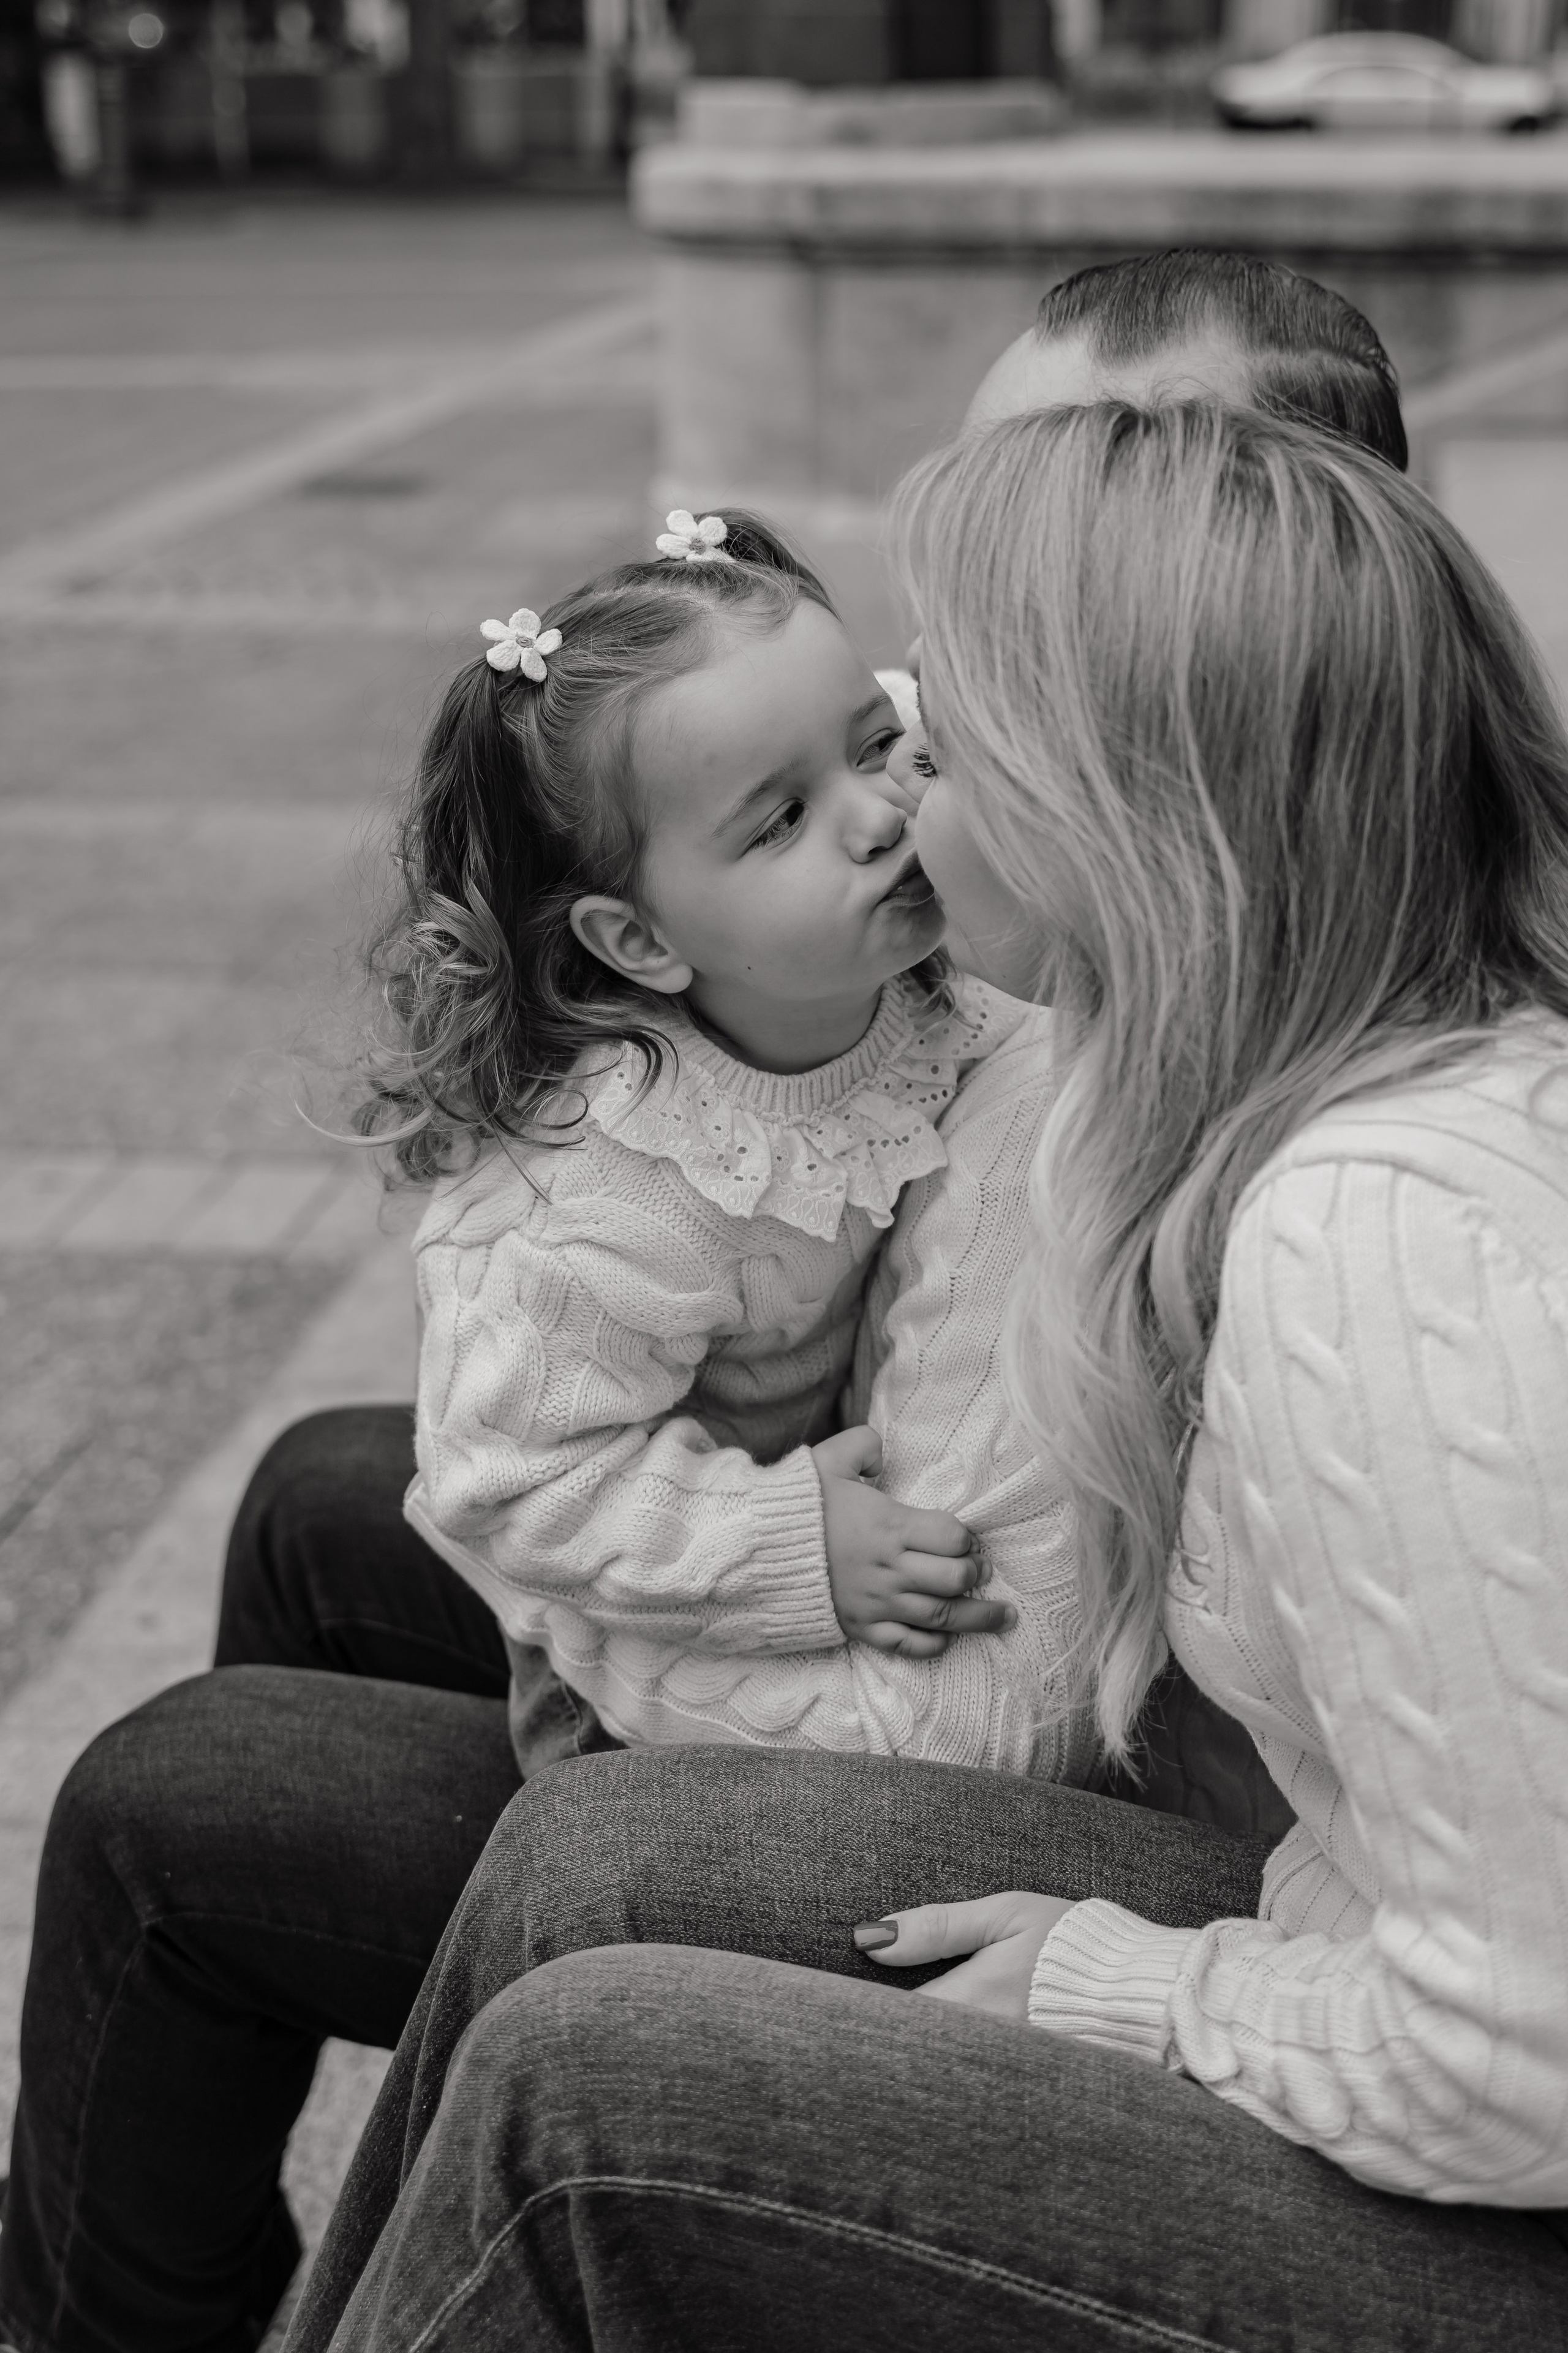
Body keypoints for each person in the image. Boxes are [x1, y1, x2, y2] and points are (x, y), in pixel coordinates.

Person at [0, 253, 1395, 2353]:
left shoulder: (1072, 1035)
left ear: (1234, 575)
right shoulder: (1019, 904)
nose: (926, 705)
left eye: (1054, 523)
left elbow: (982, 1677)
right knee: (317, 1497)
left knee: (170, 1807)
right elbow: (556, 1425)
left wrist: (682, 1595)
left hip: (1005, 1762)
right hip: (831, 1558)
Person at [288, 399, 1568, 2351]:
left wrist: (1144, 1983)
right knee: (428, 1699)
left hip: (1451, 2142)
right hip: (1333, 1938)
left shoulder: (1365, 1236)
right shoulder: (1250, 1101)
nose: (901, 804)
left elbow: (1522, 2057)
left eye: (931, 741)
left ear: (1124, 823)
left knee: (576, 2059)